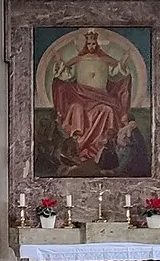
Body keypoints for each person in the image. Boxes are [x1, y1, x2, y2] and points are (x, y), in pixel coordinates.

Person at [50, 29, 133, 165]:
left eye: (94, 44)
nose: (91, 46)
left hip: (101, 97)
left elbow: (116, 73)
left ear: (97, 44)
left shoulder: (104, 59)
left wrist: (123, 61)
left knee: (108, 110)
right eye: (89, 44)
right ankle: (77, 147)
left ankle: (103, 147)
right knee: (76, 107)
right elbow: (67, 74)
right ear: (86, 44)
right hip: (81, 96)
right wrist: (59, 62)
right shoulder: (79, 59)